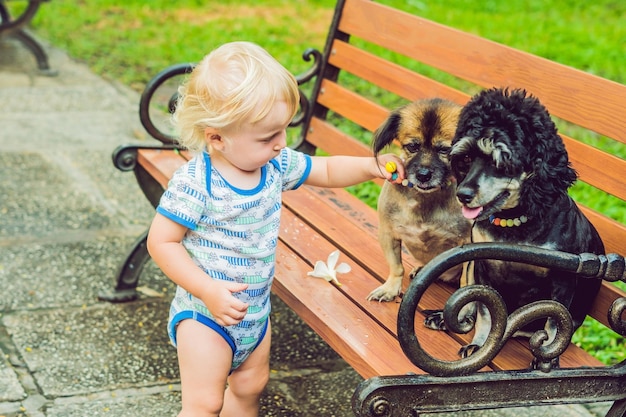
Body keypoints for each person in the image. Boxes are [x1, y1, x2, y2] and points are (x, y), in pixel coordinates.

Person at [146, 41, 405, 417]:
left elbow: (326, 170)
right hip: (206, 314)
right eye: (268, 137)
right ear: (216, 137)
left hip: (255, 313)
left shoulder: (275, 164)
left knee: (250, 388)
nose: (281, 143)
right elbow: (162, 241)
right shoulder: (196, 182)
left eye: (283, 130)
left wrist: (370, 167)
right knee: (204, 404)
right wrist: (207, 289)